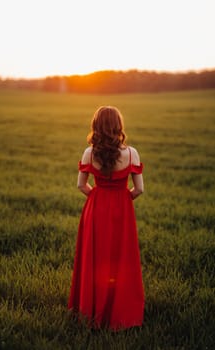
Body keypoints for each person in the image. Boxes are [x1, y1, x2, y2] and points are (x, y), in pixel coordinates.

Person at [68, 106, 145, 331]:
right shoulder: (132, 153)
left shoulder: (88, 153)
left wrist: (99, 198)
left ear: (96, 126)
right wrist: (121, 200)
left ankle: (90, 313)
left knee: (95, 258)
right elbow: (139, 189)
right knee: (120, 259)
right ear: (118, 126)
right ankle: (119, 315)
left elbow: (81, 185)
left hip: (96, 207)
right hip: (122, 209)